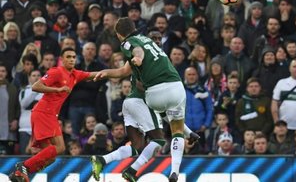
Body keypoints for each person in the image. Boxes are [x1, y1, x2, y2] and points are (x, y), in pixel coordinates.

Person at [90, 30, 200, 181]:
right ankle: (133, 171)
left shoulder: (156, 60)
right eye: (153, 38)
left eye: (159, 39)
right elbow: (143, 87)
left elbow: (122, 72)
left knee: (137, 146)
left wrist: (188, 133)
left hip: (131, 104)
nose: (156, 41)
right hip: (139, 102)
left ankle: (102, 160)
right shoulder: (145, 60)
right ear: (146, 41)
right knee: (159, 140)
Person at [8, 48, 100, 182]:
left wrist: (119, 71)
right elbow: (36, 86)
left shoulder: (75, 74)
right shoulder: (56, 71)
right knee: (60, 147)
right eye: (68, 57)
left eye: (74, 57)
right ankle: (23, 166)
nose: (71, 59)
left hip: (49, 114)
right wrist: (58, 89)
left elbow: (96, 74)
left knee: (51, 157)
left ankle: (20, 173)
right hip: (43, 113)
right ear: (62, 59)